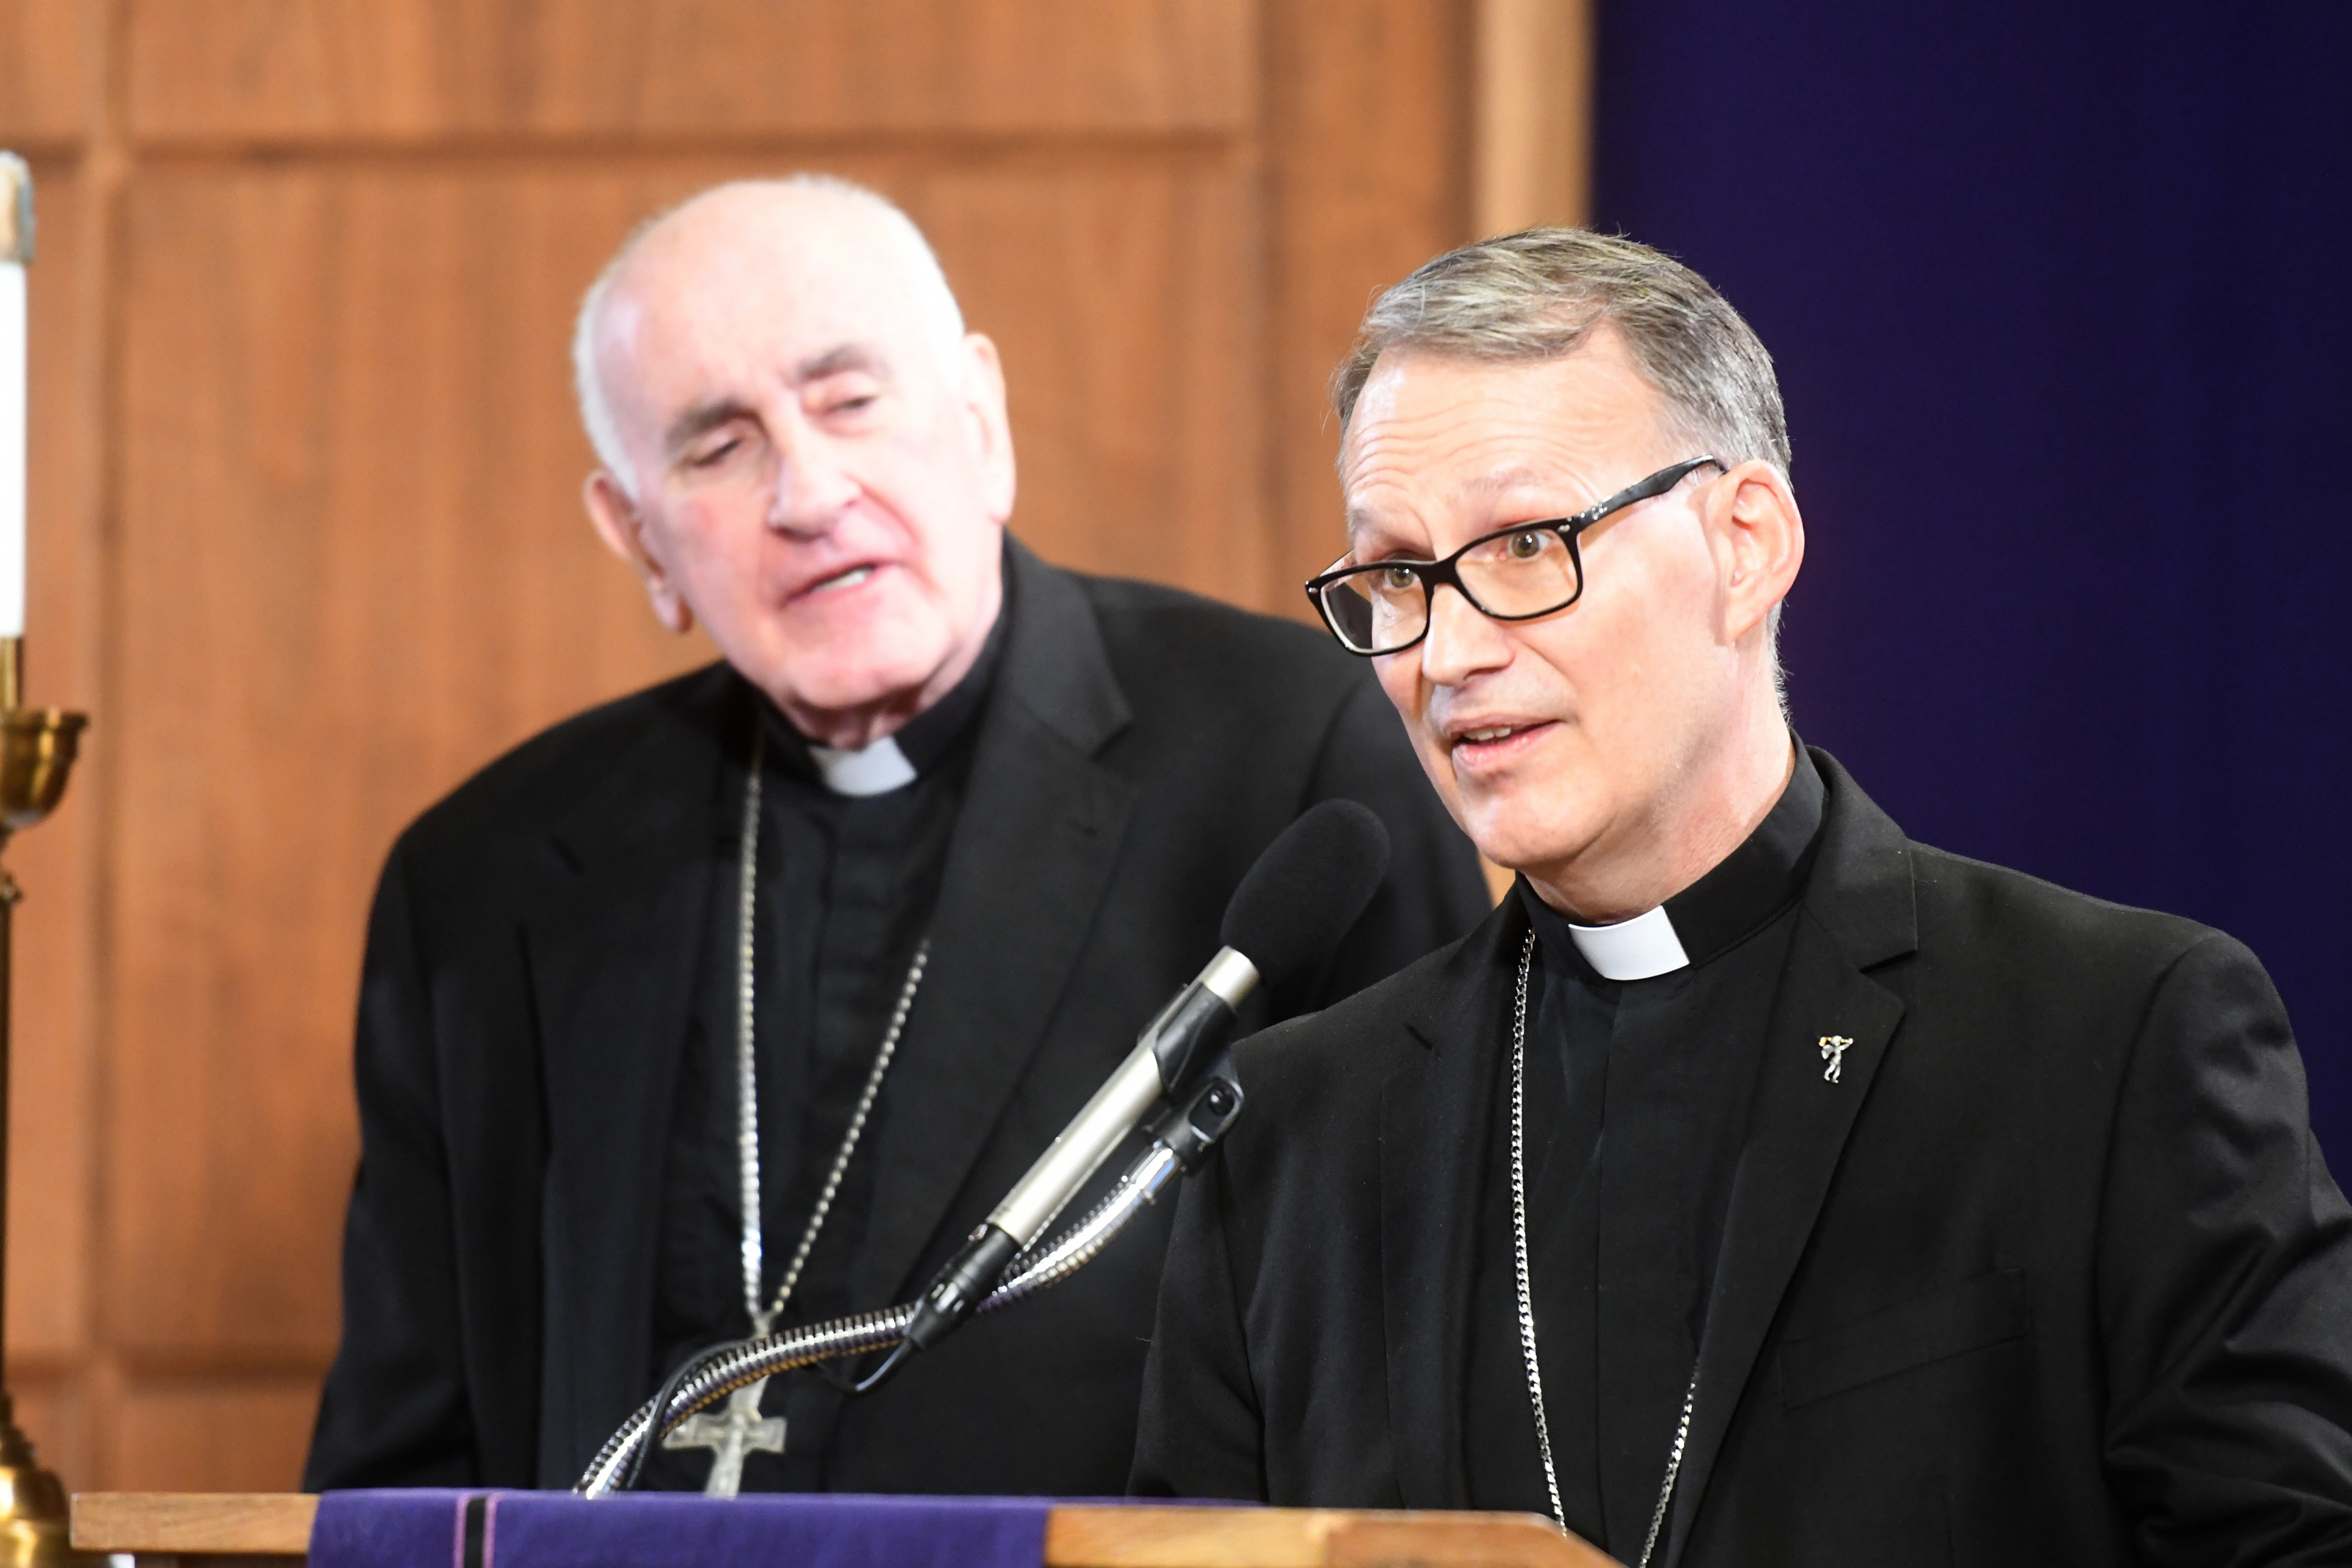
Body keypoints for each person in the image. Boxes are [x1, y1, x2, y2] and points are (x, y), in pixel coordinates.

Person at [1130, 229, 2352, 1565]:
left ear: (1747, 545)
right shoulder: (1289, 1140)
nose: (1452, 652)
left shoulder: (2109, 1038)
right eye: (1399, 576)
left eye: (1528, 544)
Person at [301, 176, 1490, 1496]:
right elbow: (398, 1470)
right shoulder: (486, 880)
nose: (809, 492)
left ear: (980, 420)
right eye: (718, 447)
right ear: (638, 538)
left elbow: (1415, 1370)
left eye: (850, 401)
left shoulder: (1294, 766)